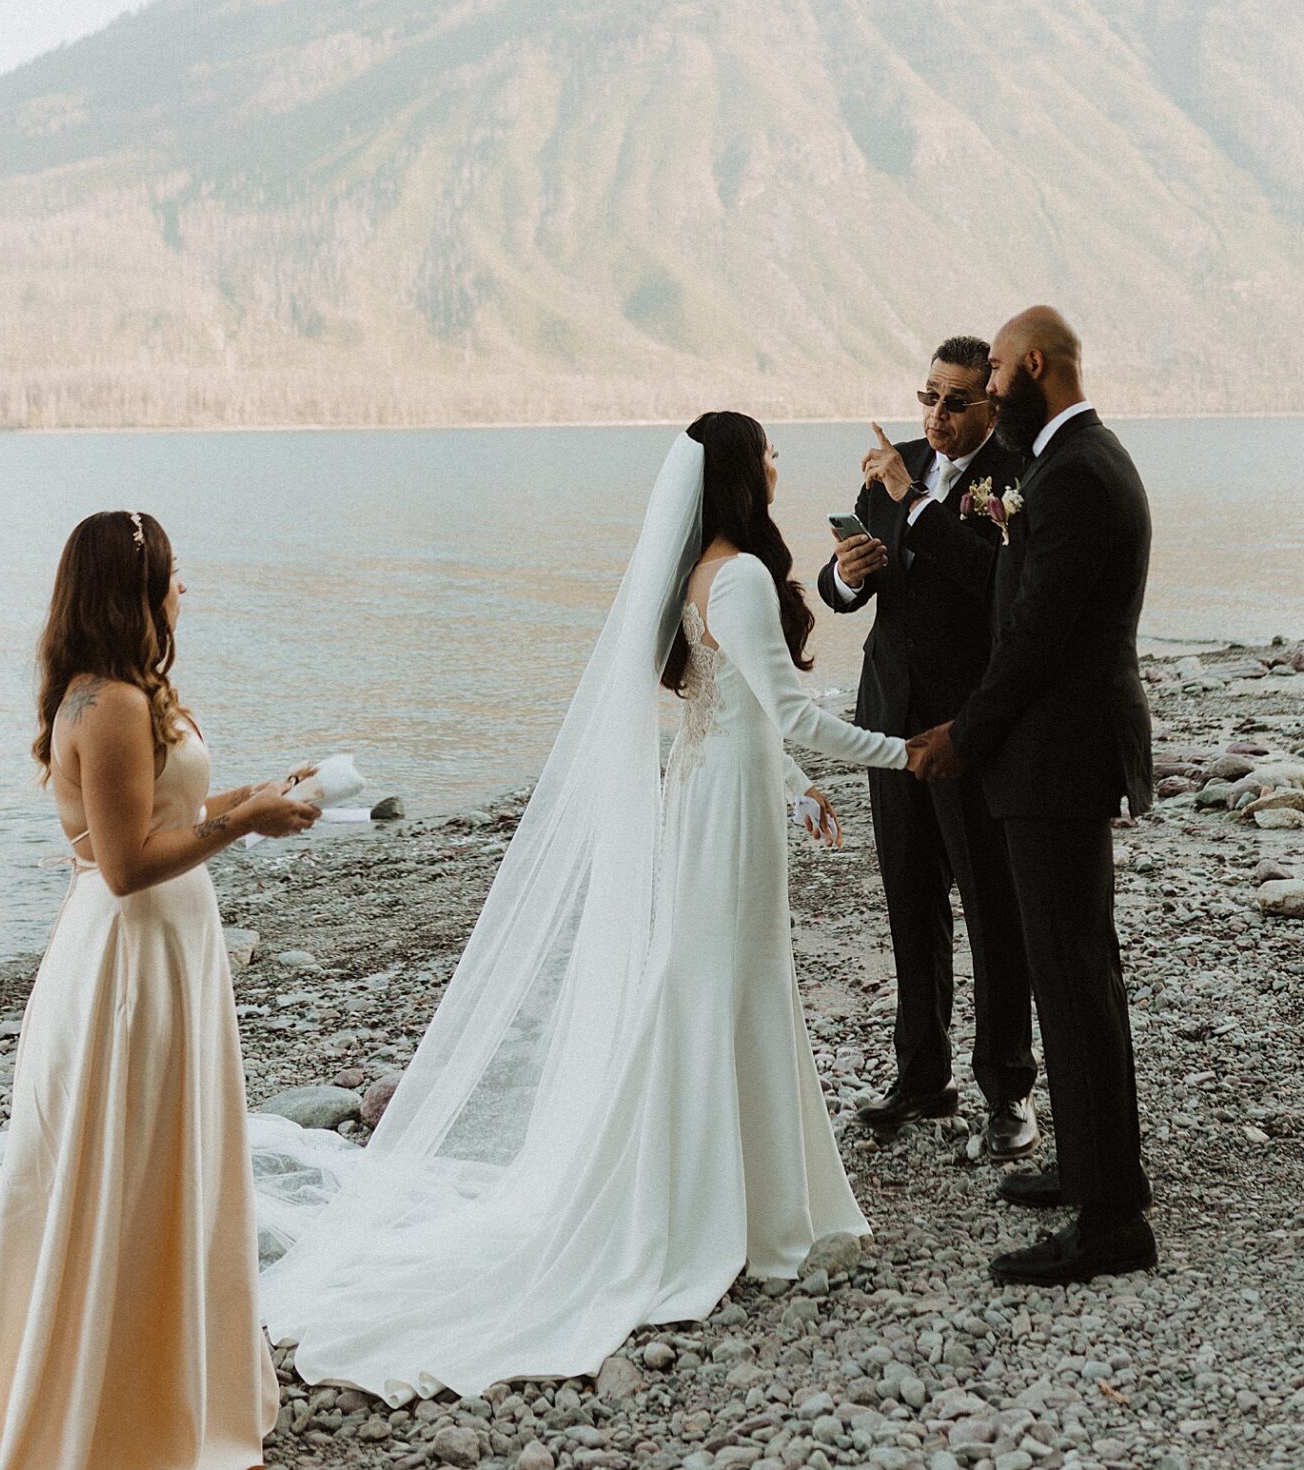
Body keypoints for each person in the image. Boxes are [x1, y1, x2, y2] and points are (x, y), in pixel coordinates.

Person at [258, 415, 910, 1399]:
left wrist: (794, 788)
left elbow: (721, 705)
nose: (778, 461)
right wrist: (907, 750)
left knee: (715, 988)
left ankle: (726, 1196)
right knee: (728, 989)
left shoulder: (702, 573)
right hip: (726, 802)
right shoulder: (737, 577)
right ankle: (741, 1213)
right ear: (740, 472)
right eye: (766, 450)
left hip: (711, 788)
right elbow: (788, 713)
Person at [0, 511, 319, 1470]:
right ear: (133, 589)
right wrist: (240, 825)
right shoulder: (112, 703)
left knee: (168, 1169)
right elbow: (125, 866)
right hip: (127, 962)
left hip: (170, 953)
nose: (182, 594)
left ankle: (171, 1398)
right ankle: (118, 1424)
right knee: (124, 1175)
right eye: (171, 577)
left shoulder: (139, 690)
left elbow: (172, 812)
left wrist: (258, 794)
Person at [906, 306, 1156, 1286]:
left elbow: (1036, 641)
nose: (993, 387)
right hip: (1055, 757)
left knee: (1076, 975)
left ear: (1033, 365)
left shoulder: (1080, 474)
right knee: (1076, 973)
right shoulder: (1072, 462)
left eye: (999, 372)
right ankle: (1097, 1169)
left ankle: (1110, 1222)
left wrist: (962, 738)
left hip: (1056, 761)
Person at [817, 334, 1039, 1159]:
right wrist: (846, 571)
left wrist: (916, 504)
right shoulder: (892, 465)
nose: (935, 416)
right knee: (909, 904)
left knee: (991, 909)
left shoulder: (1014, 476)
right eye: (927, 397)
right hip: (889, 717)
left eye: (954, 402)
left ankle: (1009, 1092)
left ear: (990, 405)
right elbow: (848, 596)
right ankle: (921, 1077)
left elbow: (992, 578)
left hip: (973, 723)